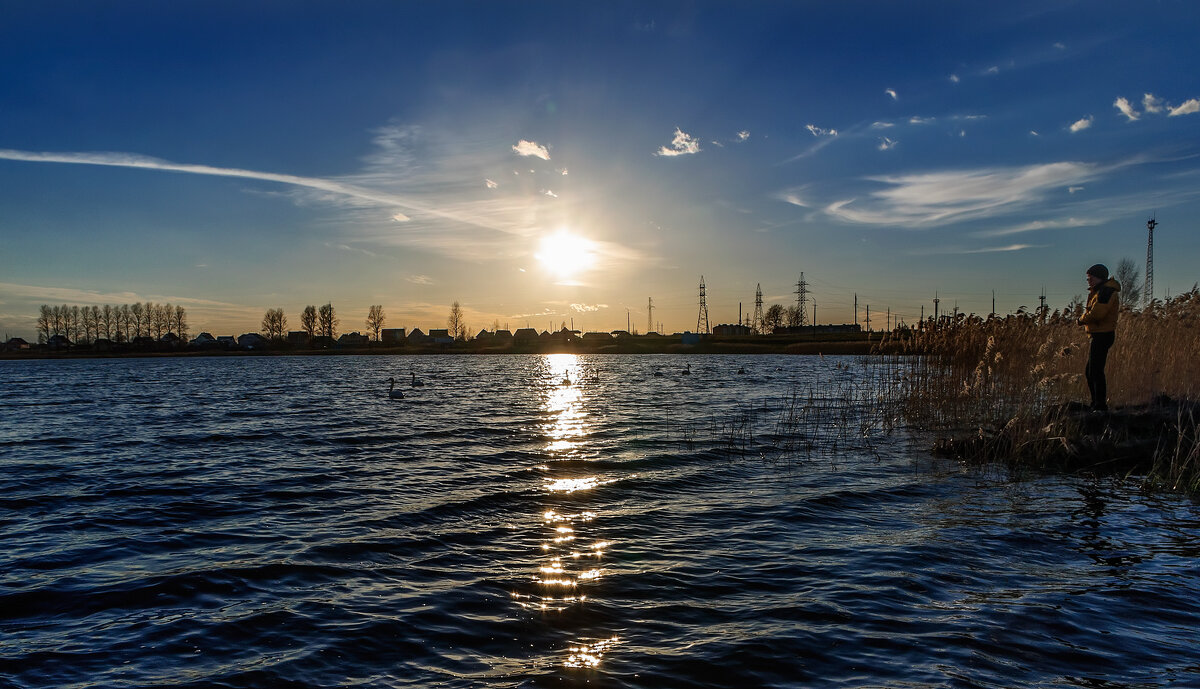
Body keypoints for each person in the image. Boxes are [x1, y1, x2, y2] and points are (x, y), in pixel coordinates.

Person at [1078, 263, 1120, 412]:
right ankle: (1095, 403)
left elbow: (1098, 314)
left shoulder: (1106, 292)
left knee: (1095, 370)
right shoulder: (1100, 291)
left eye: (1090, 278)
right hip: (1099, 334)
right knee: (1091, 370)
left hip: (1103, 335)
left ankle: (1100, 405)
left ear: (1099, 277)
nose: (1088, 281)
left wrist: (1081, 319)